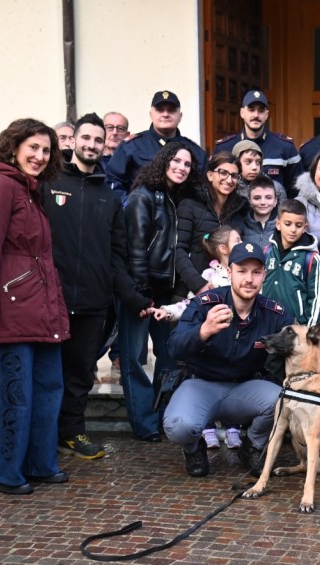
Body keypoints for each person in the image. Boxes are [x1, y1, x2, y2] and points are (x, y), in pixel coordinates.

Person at [164, 241, 320, 477]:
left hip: (245, 386)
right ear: (229, 272)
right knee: (178, 426)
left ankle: (251, 446)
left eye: (256, 272)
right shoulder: (205, 304)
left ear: (264, 274)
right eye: (241, 271)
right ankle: (193, 448)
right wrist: (203, 330)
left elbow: (306, 345)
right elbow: (174, 347)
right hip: (202, 384)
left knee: (281, 398)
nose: (249, 279)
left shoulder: (274, 312)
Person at [0, 118, 70, 495]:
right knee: (14, 393)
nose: (40, 156)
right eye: (34, 148)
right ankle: (3, 470)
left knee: (47, 389)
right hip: (10, 309)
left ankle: (40, 463)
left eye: (46, 150)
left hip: (41, 308)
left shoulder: (31, 190)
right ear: (14, 147)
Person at [44, 112, 149, 460]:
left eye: (98, 140)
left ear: (105, 146)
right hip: (50, 299)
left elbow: (117, 254)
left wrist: (132, 297)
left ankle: (71, 434)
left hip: (92, 301)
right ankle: (42, 437)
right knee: (48, 372)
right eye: (85, 138)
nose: (91, 145)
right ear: (72, 141)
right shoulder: (50, 183)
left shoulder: (109, 196)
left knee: (80, 374)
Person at [121, 141, 201, 442]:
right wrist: (141, 294)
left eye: (187, 164)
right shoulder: (143, 197)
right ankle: (144, 423)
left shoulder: (176, 198)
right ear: (164, 161)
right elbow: (136, 248)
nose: (181, 167)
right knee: (135, 359)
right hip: (142, 291)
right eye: (176, 161)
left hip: (168, 292)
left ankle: (163, 415)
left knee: (169, 357)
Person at [152, 225, 244, 450]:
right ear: (223, 249)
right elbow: (191, 305)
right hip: (212, 342)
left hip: (236, 342)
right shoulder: (209, 276)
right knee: (206, 383)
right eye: (238, 239)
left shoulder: (245, 273)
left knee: (235, 381)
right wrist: (169, 310)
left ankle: (234, 429)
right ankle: (207, 428)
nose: (243, 242)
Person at [175, 151, 249, 296]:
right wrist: (198, 284)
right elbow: (178, 250)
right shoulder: (190, 204)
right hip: (189, 291)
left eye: (234, 176)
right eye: (223, 173)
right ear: (210, 175)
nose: (229, 180)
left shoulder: (239, 210)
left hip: (227, 291)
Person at [106, 91, 206, 194]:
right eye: (160, 110)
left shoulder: (195, 151)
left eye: (171, 110)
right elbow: (113, 179)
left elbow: (203, 188)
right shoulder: (131, 146)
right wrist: (128, 206)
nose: (165, 114)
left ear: (180, 116)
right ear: (151, 114)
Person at [214, 90, 302, 196]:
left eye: (261, 111)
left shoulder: (285, 147)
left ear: (267, 114)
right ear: (242, 113)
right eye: (251, 110)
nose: (256, 115)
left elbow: (297, 191)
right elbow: (214, 186)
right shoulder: (224, 147)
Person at [262, 199, 320, 325]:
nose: (293, 230)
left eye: (298, 225)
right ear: (278, 224)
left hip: (295, 327)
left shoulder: (312, 259)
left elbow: (317, 300)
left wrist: (309, 333)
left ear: (305, 227)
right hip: (265, 322)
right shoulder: (267, 251)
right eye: (287, 224)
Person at [241, 175, 279, 248]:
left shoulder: (284, 226)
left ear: (275, 201)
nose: (263, 202)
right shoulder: (241, 224)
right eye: (257, 198)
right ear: (249, 201)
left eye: (268, 198)